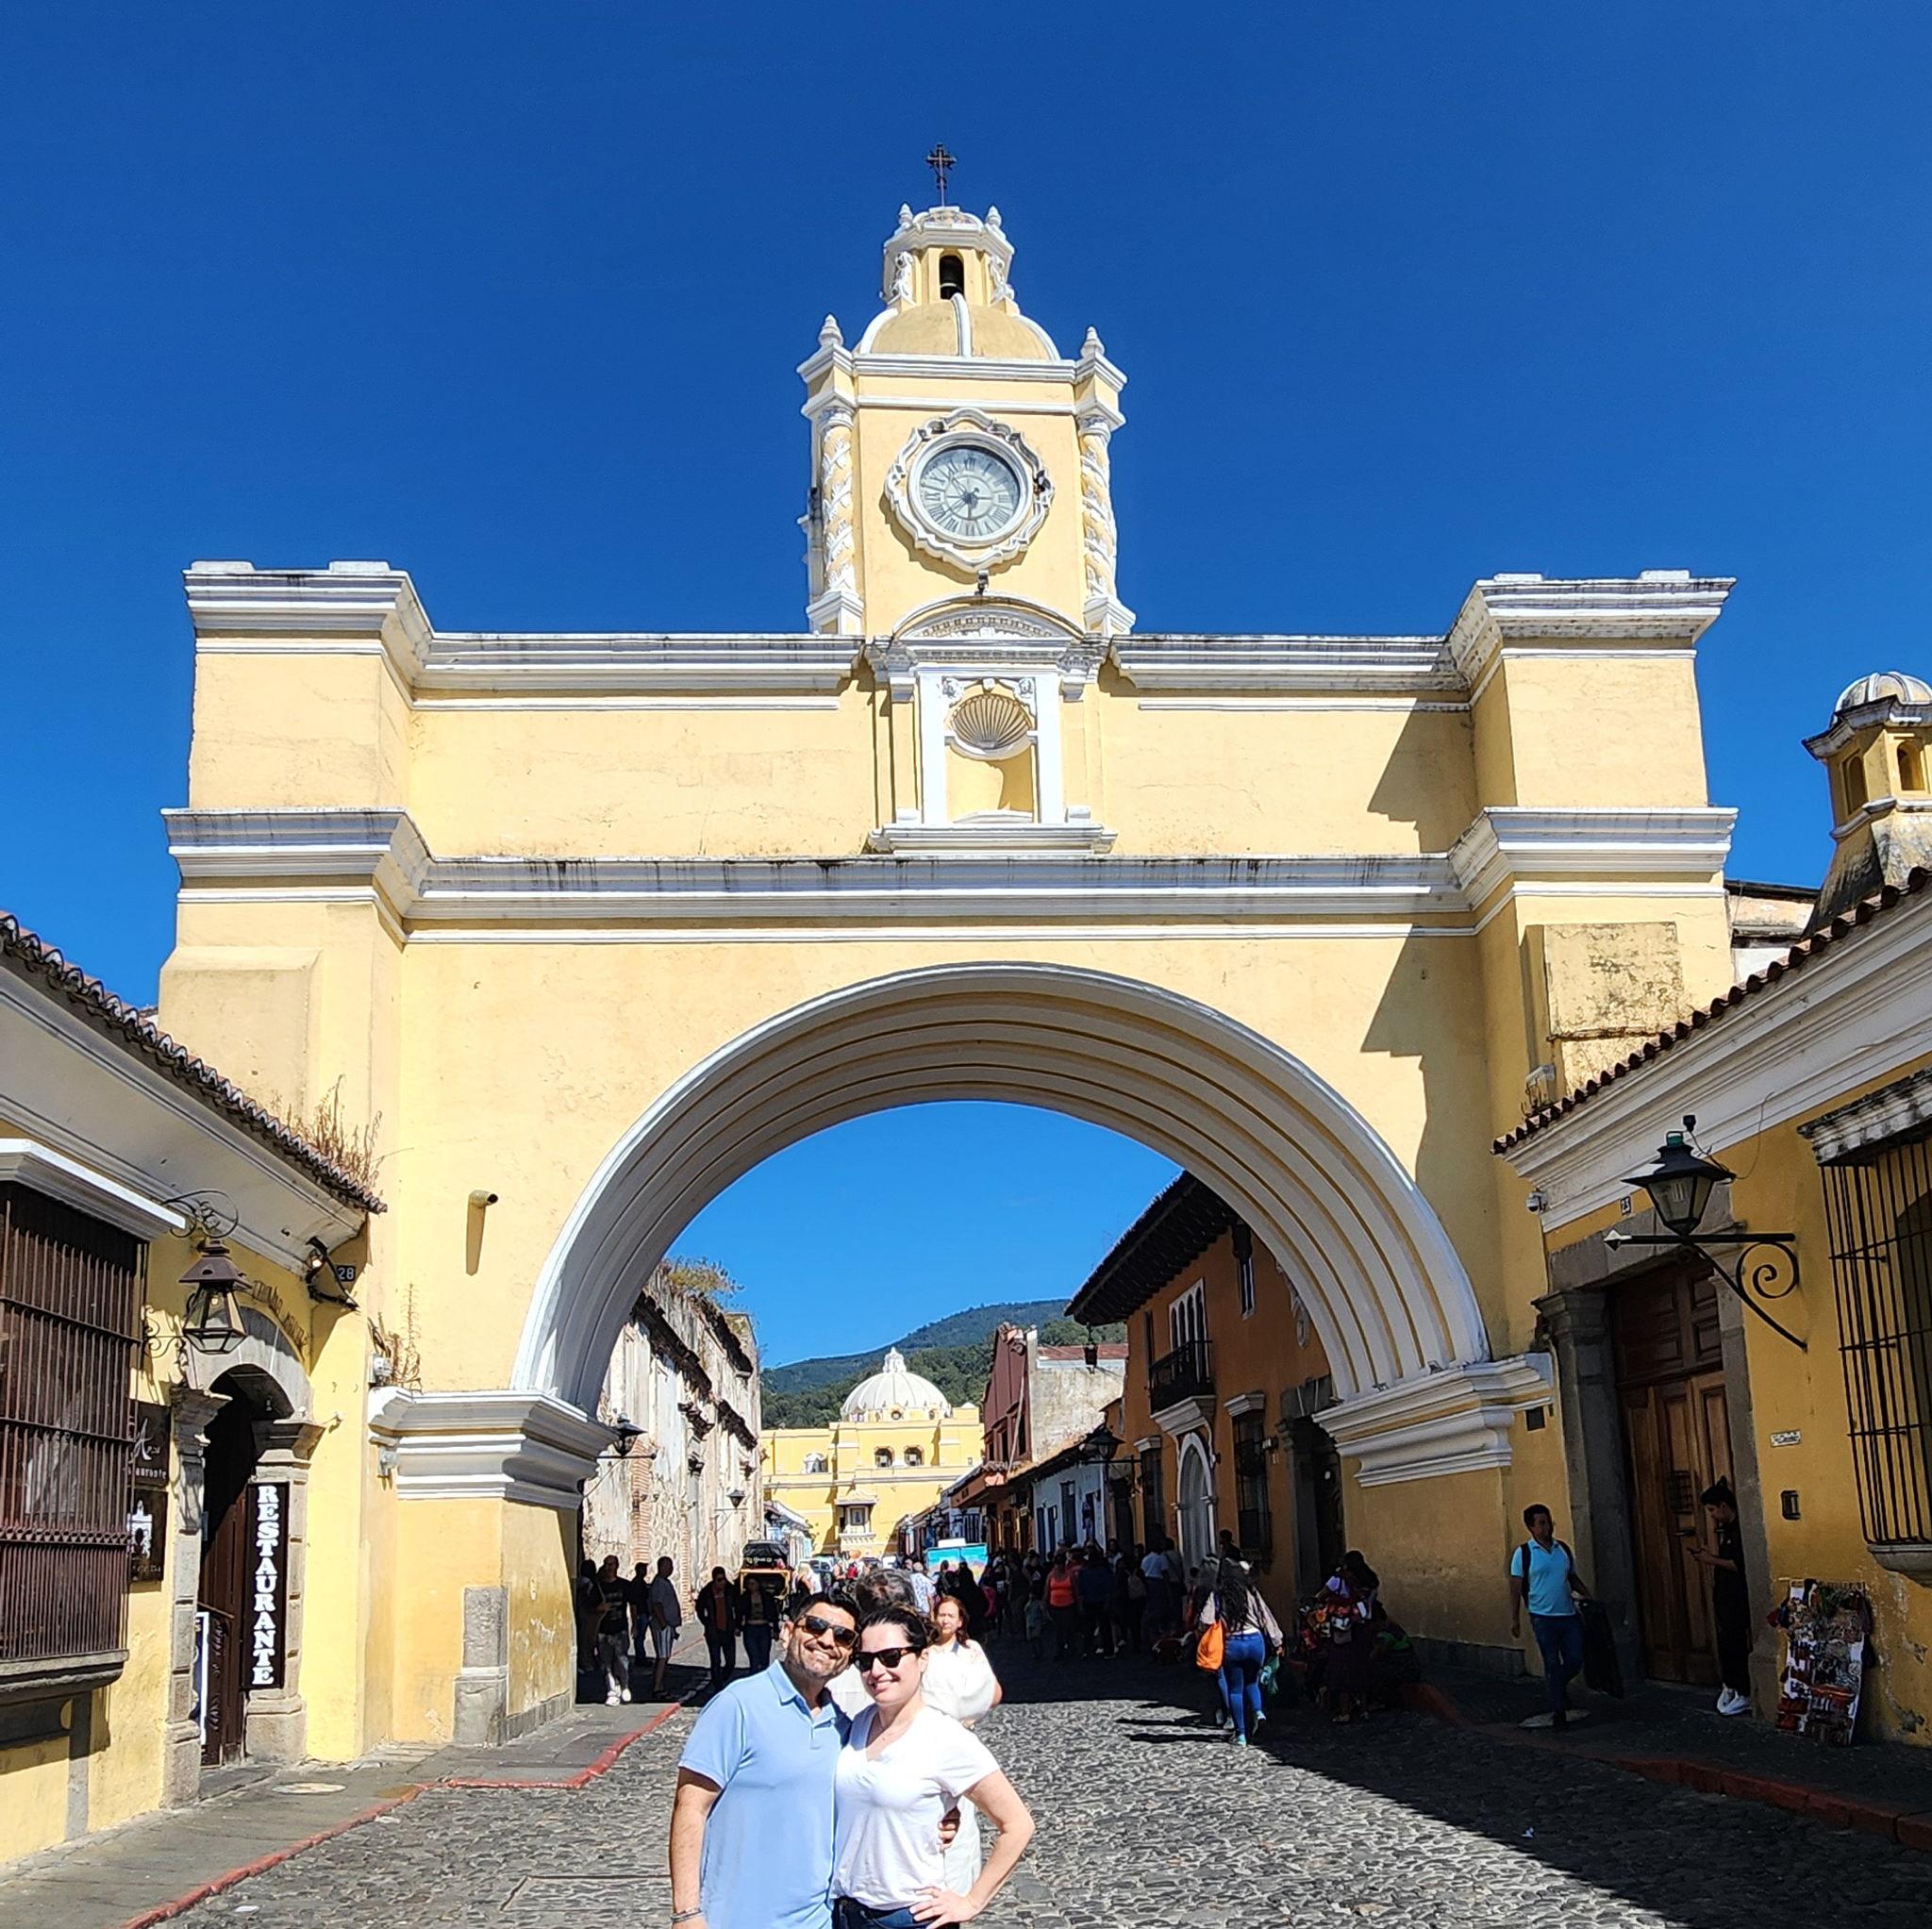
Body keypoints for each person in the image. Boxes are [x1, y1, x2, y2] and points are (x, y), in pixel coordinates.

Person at [669, 1588, 861, 1929]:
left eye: (843, 1636)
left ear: (849, 1654)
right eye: (815, 1627)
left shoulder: (843, 1726)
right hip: (738, 1918)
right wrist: (686, 1913)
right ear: (788, 1632)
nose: (827, 1640)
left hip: (818, 1921)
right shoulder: (737, 1706)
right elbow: (690, 1807)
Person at [832, 1605, 1035, 1928]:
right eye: (866, 1661)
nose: (877, 1671)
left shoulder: (945, 1737)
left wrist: (971, 1902)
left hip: (909, 1917)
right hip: (846, 1913)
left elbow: (1017, 1824)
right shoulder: (857, 1725)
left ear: (922, 1659)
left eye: (891, 1657)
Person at [923, 1594, 1004, 1898]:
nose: (944, 1620)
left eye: (950, 1615)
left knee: (963, 1812)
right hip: (929, 1738)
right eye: (940, 1614)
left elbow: (991, 1691)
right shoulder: (925, 1654)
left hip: (959, 1735)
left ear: (960, 1621)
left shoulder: (971, 1651)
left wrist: (966, 1712)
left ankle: (960, 1884)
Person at [1509, 1505, 1592, 1730]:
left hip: (1567, 1614)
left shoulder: (1562, 1549)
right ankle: (1558, 1710)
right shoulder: (1524, 1554)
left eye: (1548, 1522)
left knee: (1575, 1660)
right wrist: (1515, 1618)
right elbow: (1516, 1587)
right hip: (1542, 1617)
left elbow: (1571, 1577)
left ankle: (1557, 1687)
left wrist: (1587, 1595)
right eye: (1541, 1523)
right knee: (1552, 1662)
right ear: (1531, 1527)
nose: (1546, 1528)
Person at [1199, 1559, 1281, 1746]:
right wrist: (1277, 1641)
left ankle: (1241, 1735)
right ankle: (1259, 1713)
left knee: (1235, 1689)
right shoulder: (1251, 1592)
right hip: (1255, 1642)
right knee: (1252, 1682)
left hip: (1233, 1644)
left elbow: (1206, 1619)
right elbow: (1265, 1616)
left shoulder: (1218, 1595)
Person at [1689, 1477, 1753, 1715]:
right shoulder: (1727, 1530)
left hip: (1737, 1597)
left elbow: (1740, 1564)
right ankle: (1732, 1685)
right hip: (1726, 1596)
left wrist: (1710, 1560)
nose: (1712, 1515)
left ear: (1724, 1506)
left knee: (1734, 1642)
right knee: (1726, 1641)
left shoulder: (1740, 1530)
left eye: (1713, 1510)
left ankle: (1743, 1691)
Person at [593, 1553, 634, 1705]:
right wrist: (600, 1608)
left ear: (617, 1566)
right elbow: (590, 1607)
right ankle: (612, 1691)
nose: (609, 1568)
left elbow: (632, 1605)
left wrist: (635, 1625)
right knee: (606, 1663)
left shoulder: (624, 1585)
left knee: (622, 1660)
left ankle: (624, 1686)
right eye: (607, 1564)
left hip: (620, 1628)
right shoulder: (598, 1587)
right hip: (603, 1630)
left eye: (612, 1564)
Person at [698, 1566, 741, 1693]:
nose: (722, 1583)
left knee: (731, 1662)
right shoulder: (707, 1592)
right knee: (715, 1661)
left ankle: (722, 1679)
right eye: (719, 1580)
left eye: (723, 1579)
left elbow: (738, 1607)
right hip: (713, 1631)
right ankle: (717, 1687)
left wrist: (738, 1625)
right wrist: (706, 1622)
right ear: (714, 1579)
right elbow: (699, 1608)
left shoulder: (730, 1590)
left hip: (728, 1630)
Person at [648, 1555, 684, 1698]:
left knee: (664, 1656)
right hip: (663, 1626)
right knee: (663, 1656)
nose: (671, 1569)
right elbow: (657, 1605)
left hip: (668, 1626)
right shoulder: (659, 1584)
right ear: (661, 1567)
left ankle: (660, 1684)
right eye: (668, 1566)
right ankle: (657, 1688)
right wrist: (664, 1624)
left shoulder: (665, 1582)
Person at [1075, 1543, 1115, 1657]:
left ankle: (1087, 1651)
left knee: (1088, 1628)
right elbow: (1107, 1588)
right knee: (1104, 1628)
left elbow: (1081, 1590)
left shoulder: (1084, 1572)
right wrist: (1107, 1602)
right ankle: (1108, 1651)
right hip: (1100, 1601)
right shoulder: (1102, 1571)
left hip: (1089, 1602)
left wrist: (1080, 1605)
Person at [741, 1562, 778, 1675]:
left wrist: (775, 1630)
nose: (751, 1586)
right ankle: (754, 1679)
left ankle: (763, 1678)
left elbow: (774, 1613)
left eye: (753, 1583)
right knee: (754, 1657)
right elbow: (739, 1612)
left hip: (764, 1628)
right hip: (750, 1628)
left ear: (758, 1584)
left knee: (764, 1657)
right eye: (748, 1584)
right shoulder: (744, 1598)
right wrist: (738, 1626)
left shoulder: (767, 1597)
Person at [1044, 1551, 1078, 1662]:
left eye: (1061, 1564)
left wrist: (1079, 1605)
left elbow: (1075, 1590)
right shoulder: (1051, 1575)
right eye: (1058, 1564)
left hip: (1069, 1605)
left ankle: (1071, 1650)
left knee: (1069, 1629)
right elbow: (1047, 1591)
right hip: (1055, 1606)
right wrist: (1045, 1605)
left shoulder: (1070, 1575)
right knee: (1058, 1631)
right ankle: (1060, 1652)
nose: (1059, 1566)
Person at [1024, 1580, 1047, 1661]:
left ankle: (1040, 1652)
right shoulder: (1029, 1603)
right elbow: (1025, 1610)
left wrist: (1044, 1620)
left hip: (1037, 1622)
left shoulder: (1039, 1603)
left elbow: (1043, 1611)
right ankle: (1035, 1652)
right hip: (1030, 1622)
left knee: (1037, 1637)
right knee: (1031, 1638)